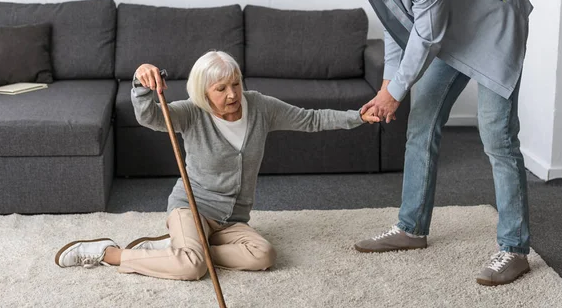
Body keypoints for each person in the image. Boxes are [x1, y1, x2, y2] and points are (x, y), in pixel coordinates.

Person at [308, 0, 533, 286]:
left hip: (493, 27)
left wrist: (394, 95)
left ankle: (515, 248)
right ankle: (411, 228)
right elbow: (397, 31)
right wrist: (386, 87)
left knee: (498, 139)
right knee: (421, 125)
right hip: (451, 31)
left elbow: (426, 36)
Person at [54, 50, 379, 280]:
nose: (233, 94)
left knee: (263, 255)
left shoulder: (261, 107)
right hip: (191, 207)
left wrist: (358, 117)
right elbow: (150, 116)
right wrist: (141, 83)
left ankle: (179, 246)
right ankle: (108, 253)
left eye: (235, 84)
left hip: (232, 219)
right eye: (221, 88)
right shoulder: (191, 113)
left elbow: (311, 119)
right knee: (193, 267)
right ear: (204, 92)